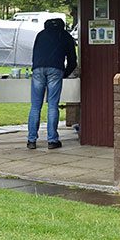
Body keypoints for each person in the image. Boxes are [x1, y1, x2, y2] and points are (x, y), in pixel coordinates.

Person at [27, 18, 77, 150]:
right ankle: (52, 140)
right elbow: (73, 61)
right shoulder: (65, 36)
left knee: (35, 106)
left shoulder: (41, 34)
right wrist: (64, 74)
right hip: (55, 69)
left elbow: (34, 55)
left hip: (38, 69)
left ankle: (31, 140)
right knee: (53, 105)